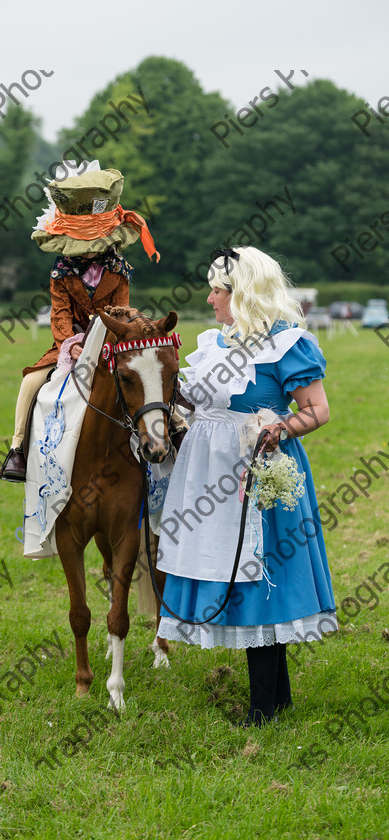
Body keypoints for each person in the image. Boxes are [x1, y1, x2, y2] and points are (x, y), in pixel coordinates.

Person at [156, 245, 337, 727]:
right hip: (207, 479)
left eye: (219, 290)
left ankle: (263, 710)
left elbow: (317, 411)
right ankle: (277, 701)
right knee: (232, 574)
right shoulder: (212, 343)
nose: (211, 299)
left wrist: (278, 428)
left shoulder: (286, 343)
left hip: (259, 479)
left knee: (261, 584)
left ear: (244, 294)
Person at [0, 160, 161, 481]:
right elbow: (59, 314)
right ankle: (17, 450)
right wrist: (70, 347)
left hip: (109, 345)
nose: (86, 252)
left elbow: (120, 314)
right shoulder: (60, 274)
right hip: (68, 345)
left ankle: (169, 427)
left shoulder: (119, 271)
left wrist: (99, 346)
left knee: (151, 374)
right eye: (80, 246)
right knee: (31, 381)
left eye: (91, 246)